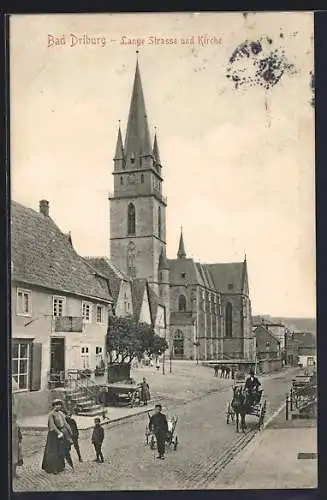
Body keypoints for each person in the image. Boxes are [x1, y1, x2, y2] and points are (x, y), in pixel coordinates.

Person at [41, 399, 74, 474]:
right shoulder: (51, 415)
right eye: (57, 404)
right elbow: (52, 426)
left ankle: (60, 467)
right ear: (54, 406)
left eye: (60, 404)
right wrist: (59, 432)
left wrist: (70, 432)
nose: (59, 406)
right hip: (53, 435)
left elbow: (65, 423)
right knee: (53, 452)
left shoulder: (61, 413)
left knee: (61, 450)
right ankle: (53, 468)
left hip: (61, 433)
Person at [12, 412, 23, 478]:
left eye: (14, 418)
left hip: (15, 443)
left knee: (15, 459)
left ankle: (14, 472)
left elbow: (19, 435)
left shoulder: (17, 425)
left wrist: (20, 442)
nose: (13, 419)